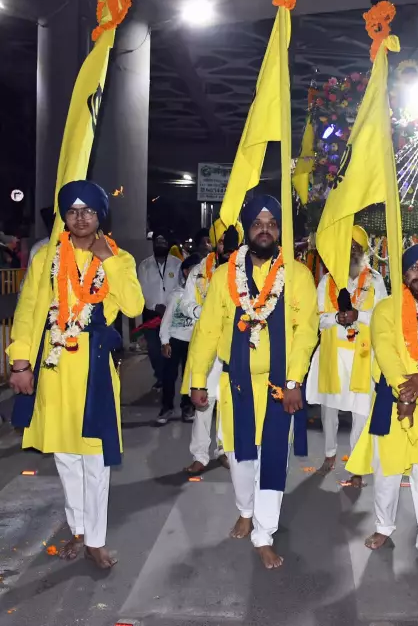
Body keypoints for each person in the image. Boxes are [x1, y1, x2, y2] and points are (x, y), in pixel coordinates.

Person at [7, 180, 144, 569]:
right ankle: (79, 530)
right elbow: (28, 311)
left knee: (95, 458)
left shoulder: (119, 257)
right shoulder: (46, 258)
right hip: (54, 367)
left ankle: (96, 540)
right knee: (66, 457)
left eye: (88, 211)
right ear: (64, 217)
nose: (81, 218)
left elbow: (134, 305)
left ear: (101, 216)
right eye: (72, 211)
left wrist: (108, 261)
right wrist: (20, 363)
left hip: (94, 367)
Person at [188, 195, 318, 569]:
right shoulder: (223, 275)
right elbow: (208, 330)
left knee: (273, 457)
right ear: (247, 229)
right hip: (237, 385)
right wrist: (197, 379)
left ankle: (264, 533)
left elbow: (306, 332)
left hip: (278, 387)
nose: (265, 229)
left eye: (272, 223)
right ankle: (245, 510)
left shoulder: (297, 276)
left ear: (280, 230)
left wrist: (293, 381)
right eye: (258, 223)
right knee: (239, 457)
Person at [345, 242, 418, 571]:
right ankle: (384, 526)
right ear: (403, 273)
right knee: (387, 472)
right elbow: (385, 349)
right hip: (393, 401)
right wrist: (405, 391)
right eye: (414, 268)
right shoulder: (386, 308)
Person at [306, 225, 387, 485]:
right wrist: (337, 318)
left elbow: (383, 318)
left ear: (364, 251)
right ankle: (330, 455)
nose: (352, 251)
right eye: (348, 246)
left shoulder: (375, 281)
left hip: (363, 357)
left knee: (361, 413)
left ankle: (357, 465)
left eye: (356, 247)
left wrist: (358, 315)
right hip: (333, 356)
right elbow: (317, 318)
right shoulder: (327, 281)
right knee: (328, 410)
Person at [181, 219, 243, 474]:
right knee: (203, 403)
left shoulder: (245, 270)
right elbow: (185, 303)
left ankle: (224, 450)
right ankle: (200, 455)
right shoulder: (199, 271)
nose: (226, 248)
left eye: (231, 243)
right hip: (206, 343)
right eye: (221, 242)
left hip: (232, 344)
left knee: (229, 401)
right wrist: (204, 312)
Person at [156, 253, 202, 425]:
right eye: (194, 270)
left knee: (189, 376)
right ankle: (167, 407)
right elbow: (167, 319)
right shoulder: (177, 295)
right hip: (175, 340)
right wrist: (165, 341)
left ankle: (187, 406)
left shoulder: (204, 295)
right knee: (169, 376)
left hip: (195, 342)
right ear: (185, 272)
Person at [137, 233, 182, 389]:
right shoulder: (145, 265)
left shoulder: (177, 264)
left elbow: (180, 286)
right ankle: (160, 376)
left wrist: (169, 306)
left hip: (172, 313)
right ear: (154, 244)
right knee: (154, 350)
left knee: (170, 348)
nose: (160, 244)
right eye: (158, 241)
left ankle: (167, 379)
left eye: (163, 242)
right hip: (152, 314)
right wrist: (155, 305)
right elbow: (142, 289)